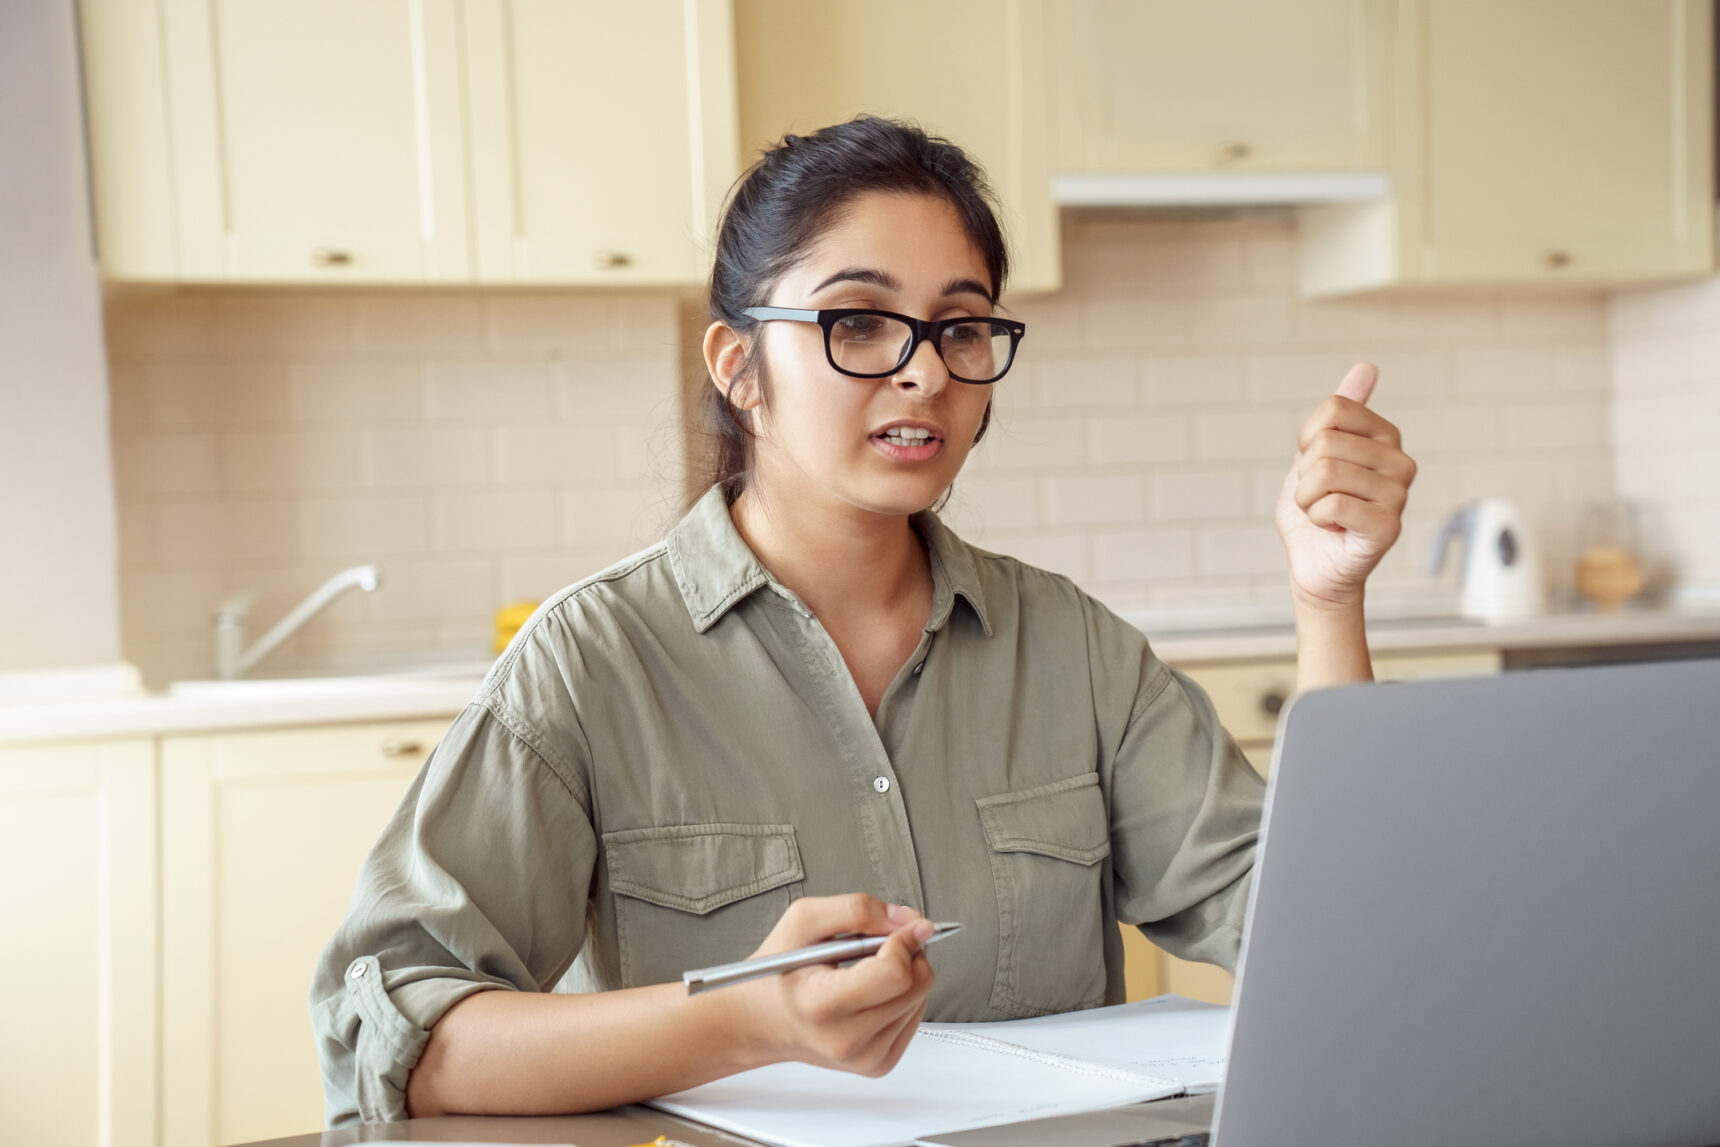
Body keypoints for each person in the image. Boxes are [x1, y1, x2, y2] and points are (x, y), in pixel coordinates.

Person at [309, 115, 1416, 1127]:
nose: (925, 371)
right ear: (739, 365)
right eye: (857, 321)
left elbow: (1338, 942)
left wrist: (1328, 599)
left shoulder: (1072, 649)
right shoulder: (589, 664)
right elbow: (395, 1040)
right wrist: (748, 1018)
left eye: (961, 327)